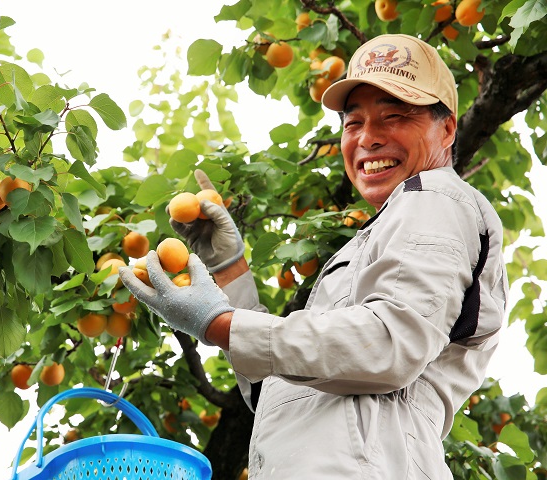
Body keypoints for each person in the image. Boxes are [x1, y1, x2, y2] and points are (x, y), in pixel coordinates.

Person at [119, 33, 508, 479]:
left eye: (394, 116)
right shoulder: (380, 233)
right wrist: (230, 272)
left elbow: (387, 346)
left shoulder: (433, 196)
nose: (369, 138)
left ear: (447, 128)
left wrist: (220, 325)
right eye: (353, 123)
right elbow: (278, 386)